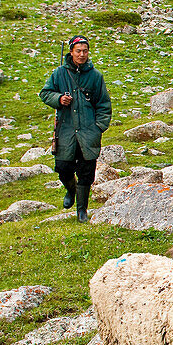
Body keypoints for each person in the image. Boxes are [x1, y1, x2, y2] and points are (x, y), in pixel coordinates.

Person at [39, 35, 112, 223]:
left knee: (86, 171)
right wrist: (59, 99)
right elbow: (45, 93)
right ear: (71, 52)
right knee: (63, 167)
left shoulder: (96, 77)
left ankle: (82, 211)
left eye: (85, 51)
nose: (82, 54)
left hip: (89, 132)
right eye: (78, 51)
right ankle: (71, 190)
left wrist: (99, 127)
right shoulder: (59, 73)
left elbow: (104, 104)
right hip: (66, 130)